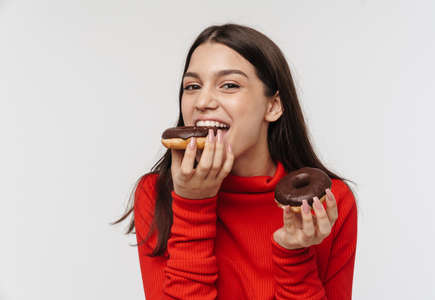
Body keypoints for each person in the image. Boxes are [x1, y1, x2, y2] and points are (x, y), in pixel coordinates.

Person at [113, 23, 358, 299]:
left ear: (273, 106)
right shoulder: (158, 194)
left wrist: (295, 255)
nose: (203, 101)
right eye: (192, 86)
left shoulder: (327, 203)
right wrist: (193, 205)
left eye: (229, 85)